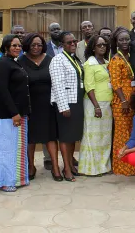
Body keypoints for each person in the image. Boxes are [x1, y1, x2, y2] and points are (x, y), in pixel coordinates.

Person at [18, 33, 61, 181]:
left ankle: (55, 167)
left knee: (50, 136)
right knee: (30, 138)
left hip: (48, 105)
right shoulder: (21, 61)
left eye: (39, 45)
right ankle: (30, 166)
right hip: (29, 104)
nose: (36, 47)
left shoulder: (50, 60)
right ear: (28, 45)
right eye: (33, 45)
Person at [0, 34, 30, 192]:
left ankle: (16, 178)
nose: (17, 48)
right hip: (6, 115)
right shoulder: (1, 64)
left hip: (18, 113)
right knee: (5, 149)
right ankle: (4, 182)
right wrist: (14, 113)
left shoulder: (14, 62)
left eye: (19, 46)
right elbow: (2, 91)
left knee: (16, 148)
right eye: (14, 45)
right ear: (6, 47)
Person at [50, 32, 85, 182]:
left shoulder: (75, 58)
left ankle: (70, 164)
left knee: (73, 137)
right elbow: (57, 85)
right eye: (68, 42)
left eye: (74, 42)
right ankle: (66, 168)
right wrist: (63, 107)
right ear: (61, 45)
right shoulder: (58, 60)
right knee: (65, 137)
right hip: (66, 104)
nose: (72, 44)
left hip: (77, 102)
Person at [80, 35, 113, 176]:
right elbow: (89, 86)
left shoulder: (107, 62)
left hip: (108, 104)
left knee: (104, 137)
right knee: (92, 137)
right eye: (99, 45)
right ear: (93, 48)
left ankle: (103, 167)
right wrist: (96, 106)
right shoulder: (89, 64)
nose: (102, 47)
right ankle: (91, 169)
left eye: (104, 44)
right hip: (94, 104)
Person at [109, 27, 135, 176]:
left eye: (127, 39)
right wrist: (123, 101)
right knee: (122, 134)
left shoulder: (130, 56)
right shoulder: (116, 59)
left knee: (131, 133)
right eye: (121, 39)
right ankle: (122, 167)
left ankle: (132, 164)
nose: (125, 42)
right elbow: (115, 83)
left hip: (132, 99)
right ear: (116, 42)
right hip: (122, 102)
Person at [43, 22, 63, 171]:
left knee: (64, 125)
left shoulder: (67, 46)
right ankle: (48, 158)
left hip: (66, 91)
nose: (56, 31)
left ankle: (68, 156)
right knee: (48, 126)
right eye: (53, 29)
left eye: (58, 29)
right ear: (49, 32)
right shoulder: (45, 48)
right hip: (48, 91)